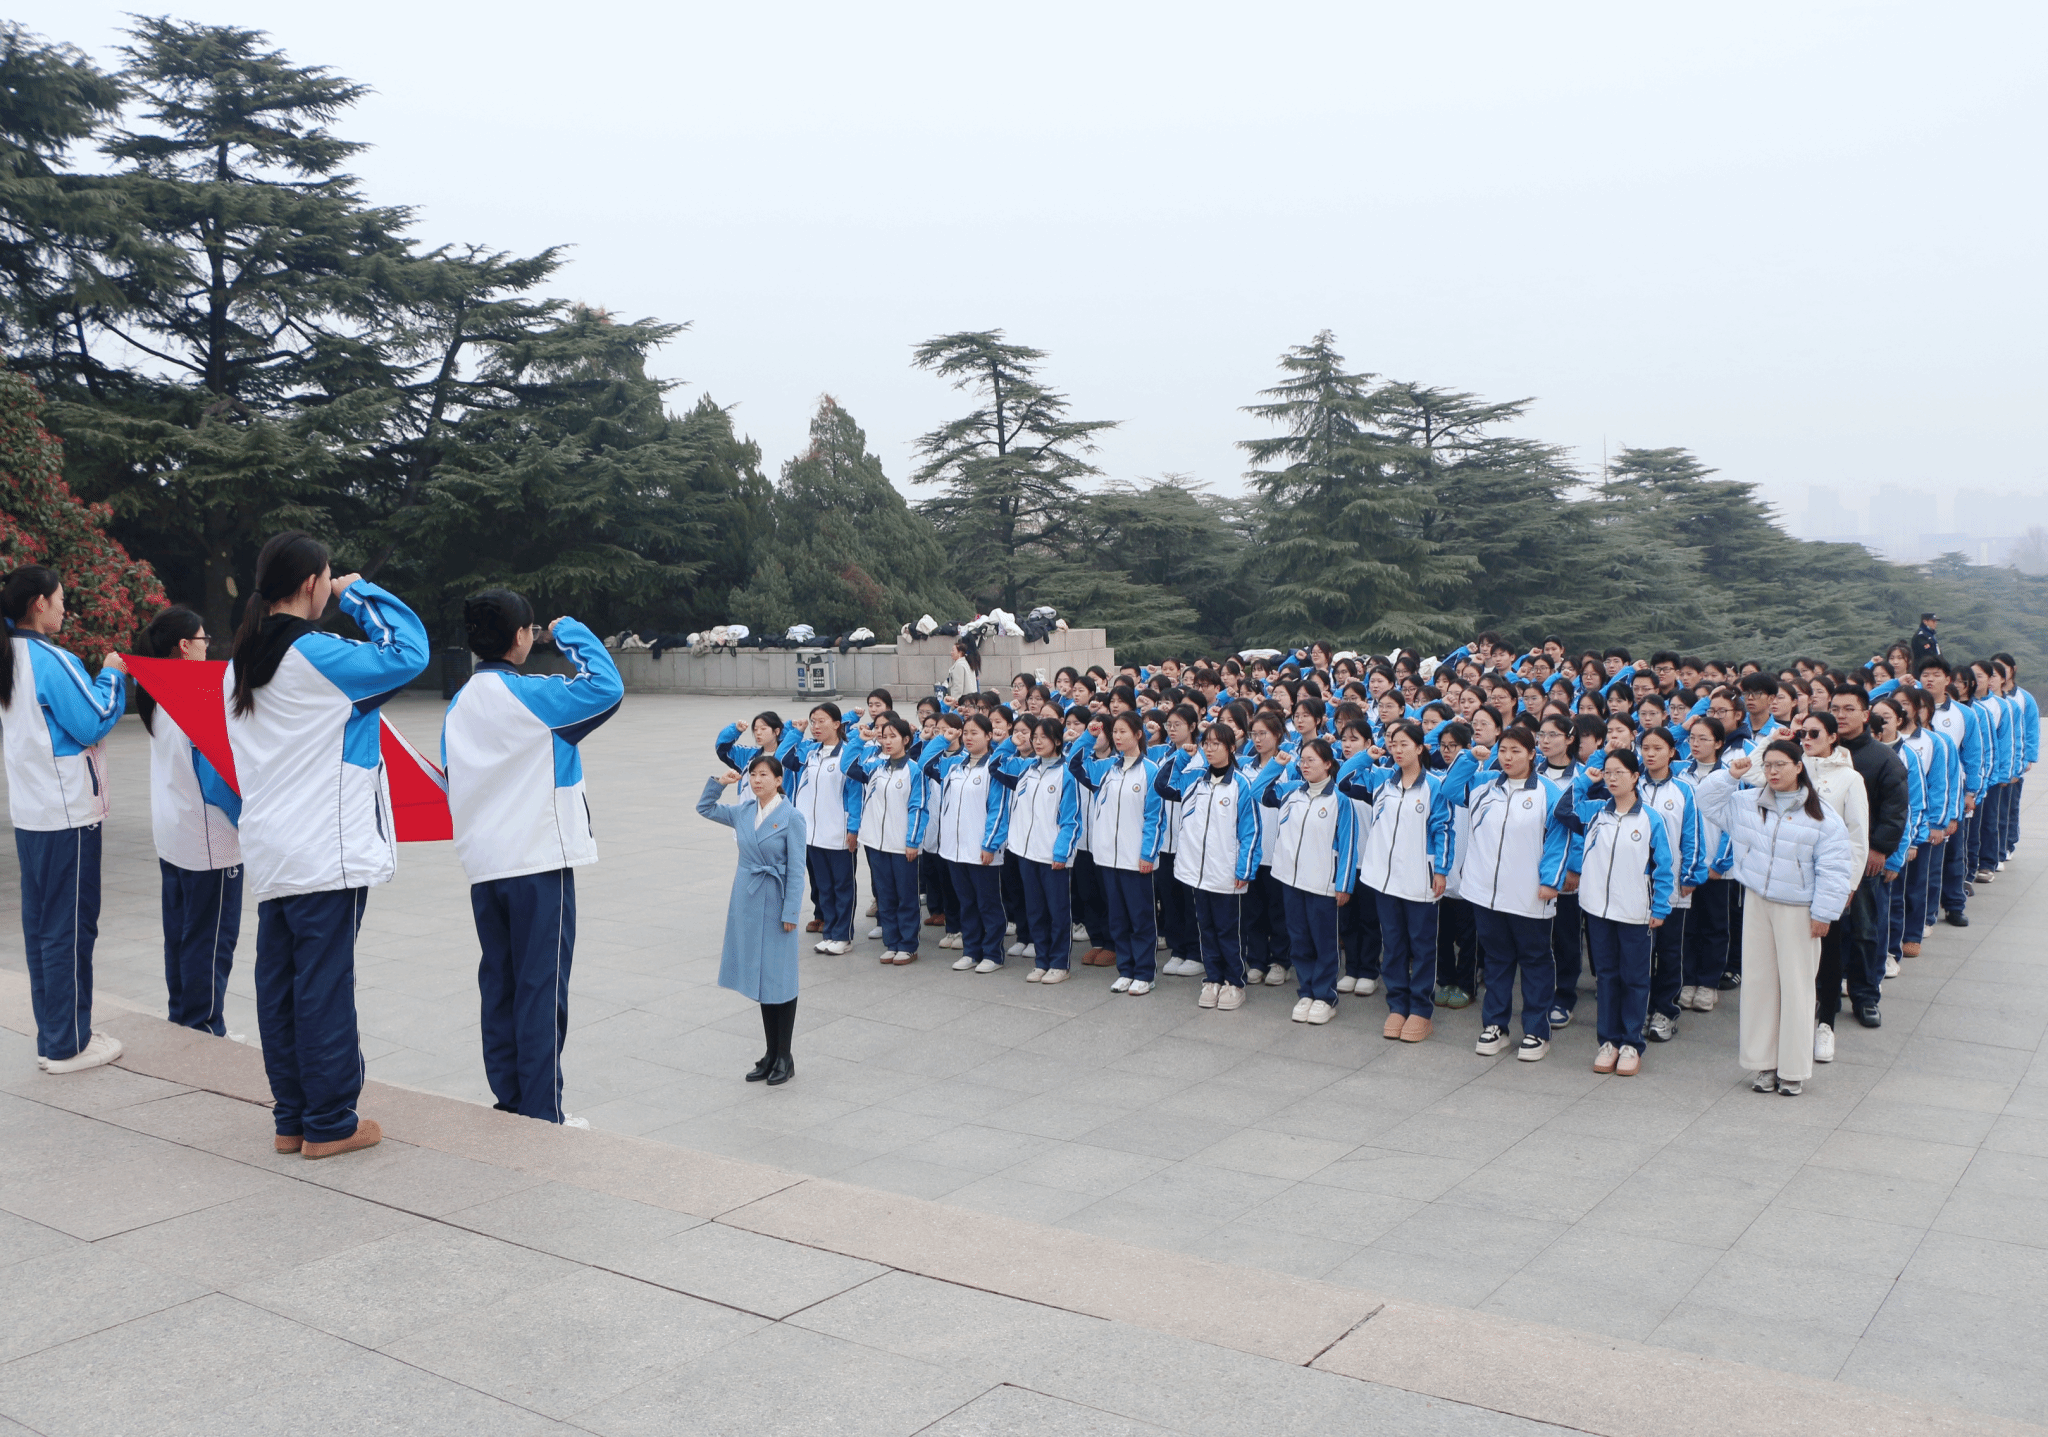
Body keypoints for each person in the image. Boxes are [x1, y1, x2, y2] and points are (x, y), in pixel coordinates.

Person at [226, 532, 428, 1157]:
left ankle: (292, 1118)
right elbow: (409, 652)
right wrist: (360, 593)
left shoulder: (242, 661)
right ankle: (331, 1121)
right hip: (324, 848)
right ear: (312, 583)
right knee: (322, 986)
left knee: (281, 985)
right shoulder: (316, 654)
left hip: (273, 850)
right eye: (328, 576)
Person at [441, 590, 623, 1125]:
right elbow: (607, 688)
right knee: (541, 991)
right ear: (522, 636)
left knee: (500, 984)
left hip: (485, 865)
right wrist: (569, 632)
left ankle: (511, 1101)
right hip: (538, 861)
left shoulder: (458, 703)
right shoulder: (535, 695)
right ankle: (544, 1116)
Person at [1, 565, 128, 1073]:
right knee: (69, 929)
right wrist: (112, 673)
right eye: (59, 599)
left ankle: (54, 1033)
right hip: (67, 815)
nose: (63, 608)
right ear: (38, 603)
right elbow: (93, 720)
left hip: (32, 814)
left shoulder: (8, 656)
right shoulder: (52, 659)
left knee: (43, 929)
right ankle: (68, 1043)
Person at [1695, 743, 1857, 1096]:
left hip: (1799, 909)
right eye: (1767, 765)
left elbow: (1835, 869)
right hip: (1757, 901)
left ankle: (1793, 1069)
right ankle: (1763, 1064)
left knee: (1797, 988)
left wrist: (1824, 914)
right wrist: (1730, 775)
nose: (1772, 771)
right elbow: (1706, 801)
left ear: (1799, 767)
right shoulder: (1746, 802)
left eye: (1780, 765)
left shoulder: (1823, 815)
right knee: (1759, 985)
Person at [137, 605, 243, 1038]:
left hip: (174, 833)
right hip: (208, 839)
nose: (207, 647)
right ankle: (204, 1028)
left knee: (181, 935)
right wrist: (249, 820)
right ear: (184, 646)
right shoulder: (197, 695)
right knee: (211, 940)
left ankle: (183, 1019)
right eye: (203, 640)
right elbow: (217, 780)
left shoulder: (157, 692)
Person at [1338, 720, 1460, 1044]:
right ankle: (1397, 1005)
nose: (1398, 749)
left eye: (1405, 743)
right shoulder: (1381, 779)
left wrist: (1441, 870)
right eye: (1393, 743)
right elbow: (1343, 779)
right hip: (1384, 878)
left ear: (1420, 748)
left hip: (1420, 880)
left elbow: (1444, 829)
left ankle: (1420, 1010)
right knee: (1393, 944)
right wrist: (1366, 755)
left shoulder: (1434, 785)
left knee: (1422, 946)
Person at [1456, 726, 1574, 1060]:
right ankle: (1496, 1026)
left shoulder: (1549, 791)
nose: (1507, 758)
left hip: (1529, 894)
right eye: (1503, 750)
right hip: (1485, 892)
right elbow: (1450, 789)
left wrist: (1552, 880)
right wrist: (1469, 758)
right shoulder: (1484, 784)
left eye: (1516, 751)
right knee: (1496, 959)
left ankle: (1536, 1031)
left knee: (1535, 960)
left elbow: (1561, 838)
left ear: (1532, 754)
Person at [697, 755, 805, 1084]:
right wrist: (719, 783)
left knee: (780, 978)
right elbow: (705, 808)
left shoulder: (792, 817)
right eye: (753, 775)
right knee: (761, 979)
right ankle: (770, 1053)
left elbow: (797, 869)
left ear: (778, 780)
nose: (757, 780)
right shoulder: (743, 811)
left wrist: (791, 911)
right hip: (748, 899)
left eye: (764, 775)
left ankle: (784, 1056)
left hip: (776, 901)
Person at [1572, 748, 1677, 1076]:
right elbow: (1563, 810)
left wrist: (1660, 906)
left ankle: (1631, 1042)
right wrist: (1584, 781)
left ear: (1635, 777)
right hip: (1597, 909)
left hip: (1634, 912)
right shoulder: (1594, 812)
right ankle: (1609, 1041)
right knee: (1606, 976)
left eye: (1619, 772)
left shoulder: (1651, 819)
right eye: (1608, 772)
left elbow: (1663, 867)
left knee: (1634, 978)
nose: (1612, 778)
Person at [1156, 721, 1262, 1010]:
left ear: (1231, 747)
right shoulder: (1194, 781)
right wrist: (1182, 755)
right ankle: (1213, 978)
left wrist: (1244, 869)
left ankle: (1234, 982)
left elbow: (1251, 831)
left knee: (1228, 930)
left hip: (1226, 872)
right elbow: (1162, 785)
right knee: (1206, 927)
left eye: (1217, 744)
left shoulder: (1241, 784)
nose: (1210, 749)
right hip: (1196, 871)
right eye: (1206, 744)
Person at [1263, 737, 1360, 1025]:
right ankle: (1306, 991)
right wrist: (1275, 765)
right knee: (1299, 939)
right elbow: (1258, 792)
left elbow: (1348, 844)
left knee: (1324, 942)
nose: (1304, 766)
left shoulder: (1340, 801)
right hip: (1291, 880)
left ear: (1328, 764)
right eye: (1302, 760)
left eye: (1312, 760)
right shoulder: (1291, 792)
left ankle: (1325, 996)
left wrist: (1344, 885)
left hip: (1322, 884)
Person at [1070, 711, 1165, 993]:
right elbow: (1074, 763)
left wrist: (1148, 854)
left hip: (1136, 859)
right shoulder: (1107, 768)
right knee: (1118, 917)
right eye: (1115, 732)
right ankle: (1126, 969)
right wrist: (1088, 736)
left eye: (1124, 731)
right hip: (1107, 858)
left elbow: (1154, 817)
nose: (1118, 737)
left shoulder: (1150, 770)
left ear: (1138, 734)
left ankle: (1144, 973)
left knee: (1140, 918)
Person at [993, 714, 1082, 982]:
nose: (1038, 742)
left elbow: (1071, 819)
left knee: (1057, 912)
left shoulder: (1067, 773)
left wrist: (1061, 852)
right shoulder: (1026, 768)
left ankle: (1060, 963)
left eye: (1044, 737)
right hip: (1026, 852)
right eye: (1035, 737)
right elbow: (994, 764)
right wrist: (1011, 741)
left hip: (1052, 854)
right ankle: (1041, 961)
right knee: (1035, 910)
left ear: (1057, 741)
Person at [923, 713, 1012, 975]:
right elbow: (924, 763)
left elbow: (998, 810)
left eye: (975, 733)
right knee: (967, 902)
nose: (969, 737)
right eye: (966, 732)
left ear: (988, 736)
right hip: (954, 849)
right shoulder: (954, 766)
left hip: (981, 848)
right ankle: (971, 951)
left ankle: (993, 953)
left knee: (988, 904)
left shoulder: (994, 767)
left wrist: (990, 844)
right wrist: (943, 739)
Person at [843, 714, 931, 965]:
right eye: (884, 737)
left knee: (906, 896)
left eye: (893, 737)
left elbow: (918, 807)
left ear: (906, 740)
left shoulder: (914, 770)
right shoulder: (876, 766)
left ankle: (908, 945)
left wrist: (912, 841)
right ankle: (892, 943)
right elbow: (847, 767)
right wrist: (859, 741)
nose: (887, 741)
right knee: (885, 895)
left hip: (901, 845)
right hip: (876, 843)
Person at [787, 703, 862, 955]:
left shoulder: (848, 755)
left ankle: (843, 936)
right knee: (824, 886)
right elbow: (783, 758)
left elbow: (855, 793)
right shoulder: (810, 752)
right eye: (813, 722)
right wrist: (796, 732)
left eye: (821, 721)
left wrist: (853, 828)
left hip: (839, 833)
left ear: (837, 724)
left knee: (843, 887)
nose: (815, 726)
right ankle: (829, 932)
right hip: (813, 834)